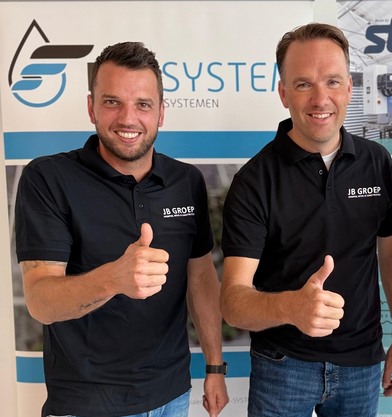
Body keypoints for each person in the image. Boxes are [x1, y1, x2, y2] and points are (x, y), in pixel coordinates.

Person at [15, 42, 229, 417]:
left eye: (143, 104)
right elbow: (40, 302)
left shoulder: (186, 181)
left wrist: (214, 367)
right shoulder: (49, 178)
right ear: (91, 108)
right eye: (112, 102)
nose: (128, 118)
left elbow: (200, 277)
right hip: (87, 404)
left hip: (172, 395)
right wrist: (114, 279)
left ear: (161, 113)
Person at [219, 23, 392, 417]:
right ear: (283, 93)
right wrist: (292, 307)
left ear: (349, 88)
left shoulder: (377, 162)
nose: (321, 98)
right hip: (283, 366)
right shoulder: (254, 180)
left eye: (333, 81)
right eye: (304, 84)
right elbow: (233, 304)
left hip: (362, 364)